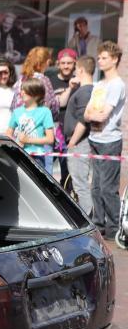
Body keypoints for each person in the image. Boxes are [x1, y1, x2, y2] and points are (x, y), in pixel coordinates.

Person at [83, 41, 125, 239]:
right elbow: (87, 114)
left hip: (110, 140)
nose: (100, 60)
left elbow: (103, 115)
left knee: (108, 188)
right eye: (99, 57)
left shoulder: (117, 85)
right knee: (96, 187)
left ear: (114, 59)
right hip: (95, 138)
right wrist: (93, 115)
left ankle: (115, 228)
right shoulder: (99, 84)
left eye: (104, 57)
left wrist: (94, 115)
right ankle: (99, 224)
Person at [63, 56, 96, 217]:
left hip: (80, 142)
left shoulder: (85, 92)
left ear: (81, 70)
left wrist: (73, 142)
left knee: (80, 183)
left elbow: (83, 120)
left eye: (76, 69)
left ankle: (87, 218)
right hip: (79, 141)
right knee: (79, 182)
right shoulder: (85, 90)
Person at [7, 77, 55, 173]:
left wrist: (28, 140)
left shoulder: (45, 112)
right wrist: (15, 143)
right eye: (22, 90)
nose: (22, 92)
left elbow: (50, 139)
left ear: (37, 95)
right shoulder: (17, 112)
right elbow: (8, 133)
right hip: (19, 154)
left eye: (26, 90)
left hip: (37, 157)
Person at [47, 48, 78, 179]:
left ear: (75, 63)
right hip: (52, 133)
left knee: (68, 175)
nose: (66, 66)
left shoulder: (79, 82)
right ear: (58, 64)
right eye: (63, 63)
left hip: (72, 135)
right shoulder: (49, 81)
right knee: (46, 171)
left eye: (69, 63)